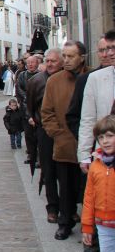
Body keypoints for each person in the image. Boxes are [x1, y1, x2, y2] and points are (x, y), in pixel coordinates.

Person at [41, 41, 89, 240]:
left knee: (88, 188)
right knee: (66, 185)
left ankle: (91, 225)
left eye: (71, 56)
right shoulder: (54, 81)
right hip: (65, 142)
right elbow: (47, 112)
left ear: (82, 58)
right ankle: (65, 220)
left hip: (89, 144)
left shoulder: (91, 77)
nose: (66, 60)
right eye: (65, 56)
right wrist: (58, 134)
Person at [77, 32, 115, 252]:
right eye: (103, 50)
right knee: (97, 198)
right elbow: (88, 118)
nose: (108, 53)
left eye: (112, 48)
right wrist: (84, 153)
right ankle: (93, 245)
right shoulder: (96, 78)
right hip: (105, 148)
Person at [81, 115, 115, 252]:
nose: (105, 141)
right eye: (101, 137)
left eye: (110, 136)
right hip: (104, 225)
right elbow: (89, 199)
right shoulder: (96, 166)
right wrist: (87, 226)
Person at [27, 49, 64, 225]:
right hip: (44, 130)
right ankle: (52, 207)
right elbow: (31, 104)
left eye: (53, 61)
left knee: (65, 171)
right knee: (48, 170)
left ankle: (67, 207)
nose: (49, 64)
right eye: (47, 61)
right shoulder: (36, 81)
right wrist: (35, 120)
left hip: (65, 131)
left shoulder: (68, 79)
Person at [18, 55, 40, 166]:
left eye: (33, 62)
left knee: (38, 134)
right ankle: (31, 155)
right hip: (25, 109)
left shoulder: (40, 75)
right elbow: (19, 88)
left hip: (37, 109)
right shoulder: (22, 75)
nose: (30, 64)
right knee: (28, 134)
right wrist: (26, 97)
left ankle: (39, 157)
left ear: (37, 63)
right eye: (29, 62)